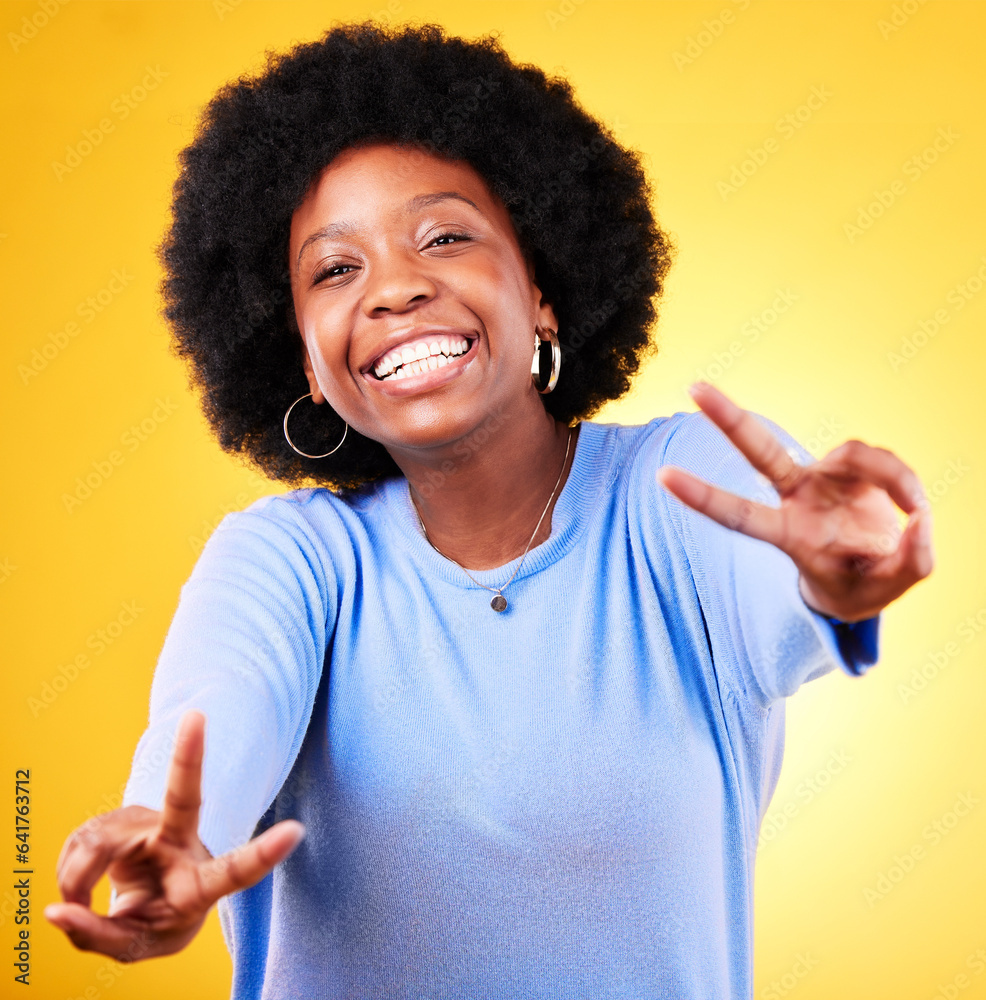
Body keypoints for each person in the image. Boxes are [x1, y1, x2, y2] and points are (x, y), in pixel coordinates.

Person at [45, 21, 934, 999]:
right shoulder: (290, 560)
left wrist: (829, 572)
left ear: (541, 290)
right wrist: (169, 846)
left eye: (444, 236)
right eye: (335, 270)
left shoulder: (677, 487)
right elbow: (211, 723)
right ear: (302, 357)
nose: (395, 287)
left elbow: (782, 573)